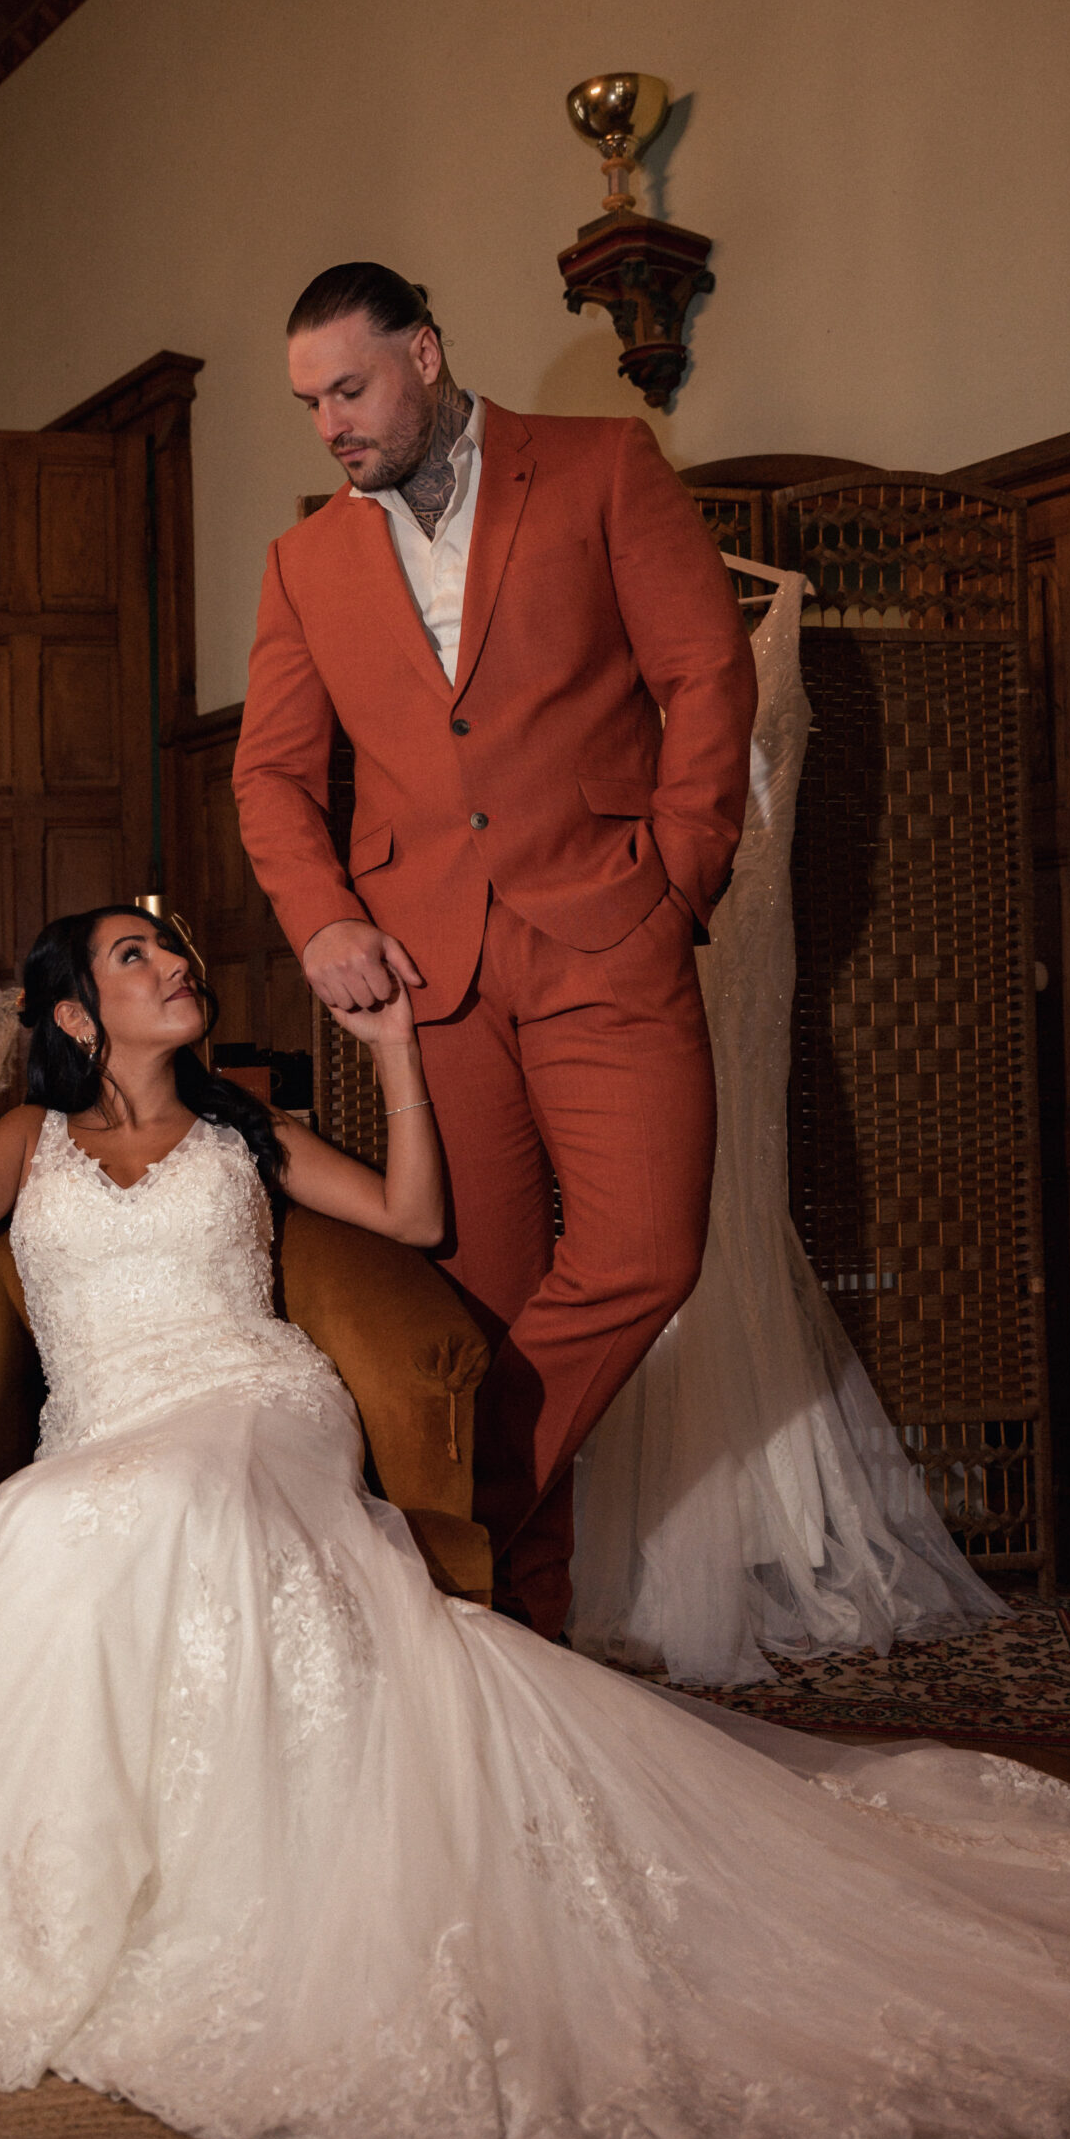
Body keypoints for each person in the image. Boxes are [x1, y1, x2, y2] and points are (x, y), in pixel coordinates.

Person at [0, 907, 1070, 2139]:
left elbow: (412, 1222)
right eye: (133, 957)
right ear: (75, 1015)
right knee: (46, 1524)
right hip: (106, 1426)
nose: (170, 966)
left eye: (172, 949)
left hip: (254, 1404)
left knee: (168, 1506)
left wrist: (391, 1052)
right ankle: (73, 1901)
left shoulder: (241, 1130)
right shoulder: (28, 1144)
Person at [232, 263, 758, 1642]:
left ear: (423, 351)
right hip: (423, 977)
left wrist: (677, 879)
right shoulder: (302, 562)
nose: (329, 424)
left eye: (348, 387)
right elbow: (271, 776)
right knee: (479, 1309)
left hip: (606, 927)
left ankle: (428, 1532)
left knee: (643, 1253)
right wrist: (324, 916)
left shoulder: (598, 468)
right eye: (306, 404)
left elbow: (705, 676)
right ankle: (513, 1656)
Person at [571, 568, 1010, 1681]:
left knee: (735, 1202)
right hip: (635, 943)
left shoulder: (785, 617)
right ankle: (662, 1524)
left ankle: (755, 1522)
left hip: (748, 960)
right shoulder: (601, 621)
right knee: (652, 1200)